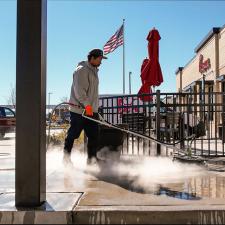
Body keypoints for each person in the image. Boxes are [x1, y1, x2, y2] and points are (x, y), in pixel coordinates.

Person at [63, 49, 107, 165]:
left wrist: (94, 109)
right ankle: (66, 159)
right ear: (92, 58)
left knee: (94, 135)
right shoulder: (81, 70)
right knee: (73, 134)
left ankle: (91, 160)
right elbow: (80, 92)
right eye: (100, 59)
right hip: (79, 110)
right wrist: (87, 106)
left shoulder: (94, 71)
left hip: (91, 110)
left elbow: (92, 93)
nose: (101, 62)